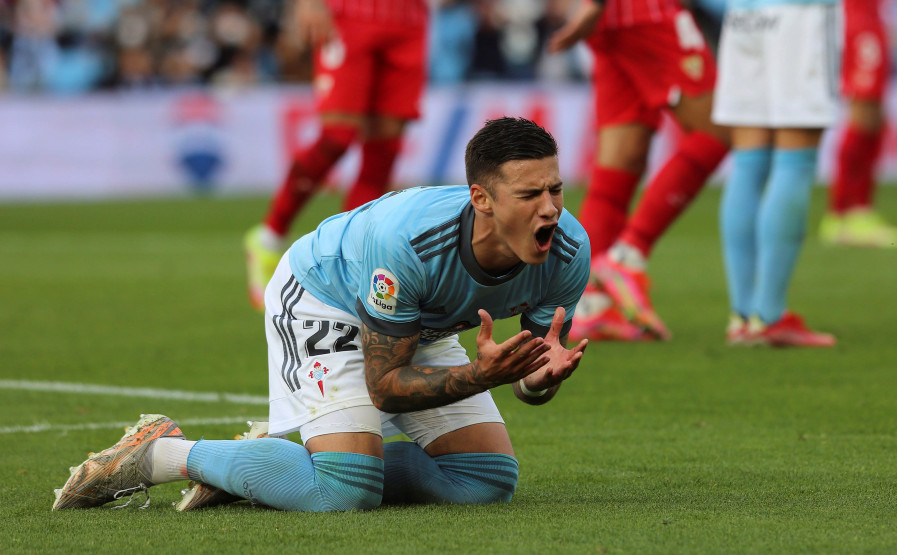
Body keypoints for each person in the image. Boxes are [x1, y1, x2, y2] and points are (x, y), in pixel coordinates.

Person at [52, 117, 591, 513]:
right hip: (324, 298)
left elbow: (532, 376)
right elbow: (385, 385)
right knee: (345, 492)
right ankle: (160, 453)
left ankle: (263, 470)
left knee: (487, 479)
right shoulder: (407, 242)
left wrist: (536, 379)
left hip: (414, 322)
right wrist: (480, 376)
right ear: (482, 199)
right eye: (530, 194)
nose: (550, 208)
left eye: (556, 189)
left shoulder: (568, 251)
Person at [548, 0, 731, 342]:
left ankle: (591, 302)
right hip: (647, 11)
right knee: (718, 129)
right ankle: (627, 256)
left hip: (611, 21)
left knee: (619, 163)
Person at [244, 0, 429, 310]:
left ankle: (349, 267)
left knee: (382, 152)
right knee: (337, 137)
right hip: (351, 12)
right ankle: (268, 237)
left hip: (409, 18)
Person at [713, 0, 838, 347]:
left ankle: (742, 316)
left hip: (744, 14)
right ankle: (768, 316)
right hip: (800, 12)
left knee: (749, 162)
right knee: (795, 161)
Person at [819, 0, 897, 248]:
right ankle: (843, 212)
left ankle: (858, 210)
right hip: (859, 22)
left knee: (874, 120)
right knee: (863, 115)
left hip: (871, 19)